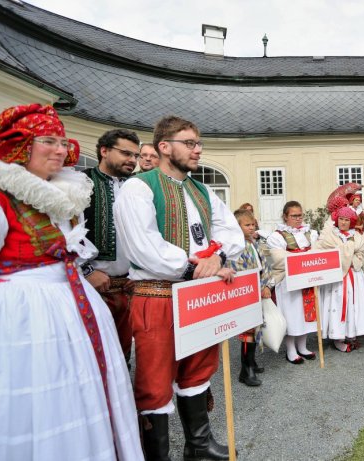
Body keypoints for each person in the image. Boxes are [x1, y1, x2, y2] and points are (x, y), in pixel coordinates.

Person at [0, 104, 143, 460]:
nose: (60, 149)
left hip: (72, 311)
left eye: (62, 141)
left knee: (79, 398)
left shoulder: (59, 199)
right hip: (22, 324)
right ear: (21, 146)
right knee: (36, 403)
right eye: (48, 141)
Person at [114, 115, 244, 461]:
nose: (198, 149)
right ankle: (157, 456)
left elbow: (231, 233)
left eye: (199, 143)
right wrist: (194, 265)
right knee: (155, 382)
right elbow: (144, 246)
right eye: (190, 143)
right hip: (157, 294)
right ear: (164, 146)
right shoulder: (139, 187)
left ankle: (198, 445)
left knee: (199, 368)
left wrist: (215, 257)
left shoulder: (202, 190)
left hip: (198, 294)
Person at [81, 129, 141, 365]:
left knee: (124, 354)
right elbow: (62, 233)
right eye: (126, 153)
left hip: (130, 285)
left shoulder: (138, 187)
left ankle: (122, 400)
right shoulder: (81, 183)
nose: (133, 160)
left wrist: (140, 273)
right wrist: (86, 271)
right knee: (93, 355)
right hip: (93, 286)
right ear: (104, 151)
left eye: (135, 155)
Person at [317, 204, 364, 352]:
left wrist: (347, 256)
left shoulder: (357, 236)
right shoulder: (330, 236)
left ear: (351, 221)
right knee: (337, 304)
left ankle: (351, 333)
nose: (343, 222)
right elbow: (324, 251)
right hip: (336, 277)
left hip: (354, 275)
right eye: (341, 219)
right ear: (337, 220)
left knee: (354, 303)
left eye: (347, 220)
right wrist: (348, 252)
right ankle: (338, 336)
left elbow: (361, 254)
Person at [266, 201, 319, 364]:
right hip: (288, 280)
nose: (298, 219)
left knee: (306, 313)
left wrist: (309, 258)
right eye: (294, 216)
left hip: (307, 279)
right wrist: (303, 257)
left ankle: (302, 346)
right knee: (291, 314)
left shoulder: (310, 233)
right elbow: (279, 258)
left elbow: (318, 251)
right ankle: (290, 350)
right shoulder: (277, 236)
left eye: (300, 215)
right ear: (285, 217)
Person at [225, 209, 273, 387]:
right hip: (245, 293)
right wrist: (254, 286)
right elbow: (237, 271)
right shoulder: (234, 247)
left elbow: (264, 265)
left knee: (255, 327)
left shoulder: (255, 243)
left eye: (253, 224)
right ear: (237, 227)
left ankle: (251, 362)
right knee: (248, 330)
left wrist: (266, 284)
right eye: (247, 225)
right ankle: (246, 370)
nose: (252, 227)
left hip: (257, 290)